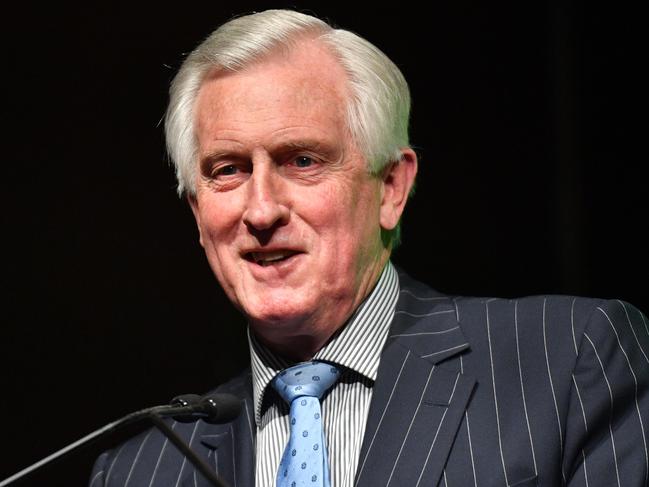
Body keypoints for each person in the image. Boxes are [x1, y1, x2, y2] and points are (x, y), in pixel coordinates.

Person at [89, 9, 649, 487]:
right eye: (228, 170)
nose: (260, 211)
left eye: (302, 161)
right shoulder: (143, 467)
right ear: (197, 212)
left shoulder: (567, 360)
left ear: (391, 188)